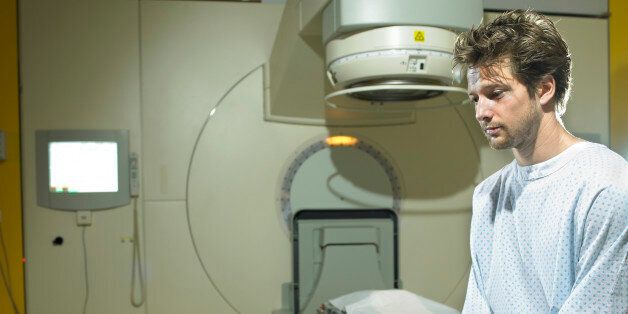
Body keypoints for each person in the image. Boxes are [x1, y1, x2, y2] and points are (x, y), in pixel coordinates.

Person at [453, 9, 627, 313]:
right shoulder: (487, 196)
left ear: (544, 89)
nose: (481, 112)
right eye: (475, 99)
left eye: (495, 93)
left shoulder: (605, 188)